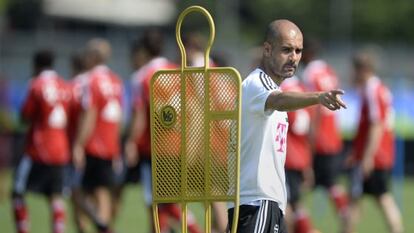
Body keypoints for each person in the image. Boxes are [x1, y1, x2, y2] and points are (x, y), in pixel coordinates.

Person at [227, 19, 347, 233]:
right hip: (256, 201)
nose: (294, 57)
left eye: (298, 51)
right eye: (286, 50)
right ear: (267, 49)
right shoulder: (258, 83)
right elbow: (278, 101)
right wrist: (319, 97)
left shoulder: (271, 87)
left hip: (267, 202)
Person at [124, 29, 201, 233]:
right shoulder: (177, 71)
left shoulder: (142, 77)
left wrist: (130, 142)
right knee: (169, 202)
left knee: (159, 203)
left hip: (154, 149)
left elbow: (139, 116)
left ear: (143, 50)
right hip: (180, 144)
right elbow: (192, 109)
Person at [11, 49, 71, 233]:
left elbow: (25, 116)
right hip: (60, 149)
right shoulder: (65, 86)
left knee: (17, 192)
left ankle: (23, 229)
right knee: (56, 196)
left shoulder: (36, 85)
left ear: (36, 65)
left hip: (38, 149)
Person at [345, 51, 403, 233]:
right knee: (377, 198)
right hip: (380, 155)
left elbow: (376, 125)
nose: (352, 75)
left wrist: (367, 157)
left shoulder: (372, 90)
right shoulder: (381, 88)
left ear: (362, 70)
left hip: (373, 157)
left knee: (361, 199)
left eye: (354, 70)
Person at [72, 38, 124, 233]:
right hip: (110, 145)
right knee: (102, 192)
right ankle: (103, 227)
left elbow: (89, 114)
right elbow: (119, 116)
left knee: (76, 191)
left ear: (93, 56)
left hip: (93, 144)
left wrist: (78, 144)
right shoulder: (116, 81)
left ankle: (99, 225)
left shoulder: (89, 80)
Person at [301, 38, 349, 229]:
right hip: (333, 137)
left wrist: (310, 136)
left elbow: (314, 106)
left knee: (299, 184)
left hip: (318, 137)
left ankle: (300, 222)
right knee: (331, 183)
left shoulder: (309, 73)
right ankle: (346, 217)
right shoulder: (329, 70)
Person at [280, 76, 314, 233]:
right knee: (297, 204)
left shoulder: (282, 92)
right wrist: (308, 163)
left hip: (286, 156)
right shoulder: (303, 88)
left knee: (283, 205)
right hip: (301, 155)